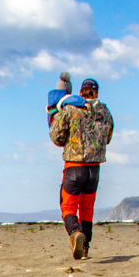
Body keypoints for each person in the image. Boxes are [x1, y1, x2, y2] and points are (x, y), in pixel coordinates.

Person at [49, 77, 113, 260]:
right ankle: (85, 248)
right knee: (87, 208)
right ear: (97, 93)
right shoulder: (105, 112)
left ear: (80, 92)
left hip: (74, 166)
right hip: (94, 170)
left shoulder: (70, 109)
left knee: (68, 206)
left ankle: (75, 233)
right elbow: (108, 137)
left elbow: (56, 136)